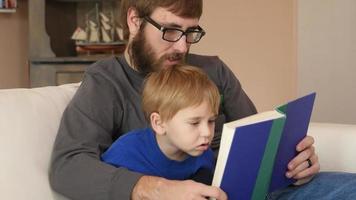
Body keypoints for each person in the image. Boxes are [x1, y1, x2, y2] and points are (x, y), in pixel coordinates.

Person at [49, 0, 356, 199]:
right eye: (171, 31)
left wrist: (293, 163)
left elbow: (257, 139)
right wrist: (160, 190)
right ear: (134, 20)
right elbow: (68, 166)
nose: (182, 47)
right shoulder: (106, 82)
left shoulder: (213, 70)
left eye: (190, 32)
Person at [101, 65, 219, 186]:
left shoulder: (204, 154)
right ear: (159, 123)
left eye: (211, 121)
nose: (207, 133)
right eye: (194, 123)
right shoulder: (124, 153)